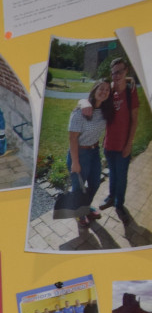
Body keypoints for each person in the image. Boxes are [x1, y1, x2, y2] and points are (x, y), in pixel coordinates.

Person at [67, 80, 112, 230]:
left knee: (95, 183)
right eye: (101, 88)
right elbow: (72, 138)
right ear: (94, 89)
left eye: (107, 90)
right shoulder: (81, 111)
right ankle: (79, 213)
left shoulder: (105, 110)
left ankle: (85, 207)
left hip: (94, 152)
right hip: (80, 153)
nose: (104, 91)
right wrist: (75, 162)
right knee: (79, 186)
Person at [100, 57, 141, 216]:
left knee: (122, 177)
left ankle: (119, 204)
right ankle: (111, 197)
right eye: (113, 72)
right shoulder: (108, 91)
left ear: (126, 71)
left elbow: (135, 120)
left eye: (120, 71)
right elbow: (94, 97)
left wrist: (129, 144)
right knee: (113, 174)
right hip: (109, 144)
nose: (116, 75)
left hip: (123, 145)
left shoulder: (130, 92)